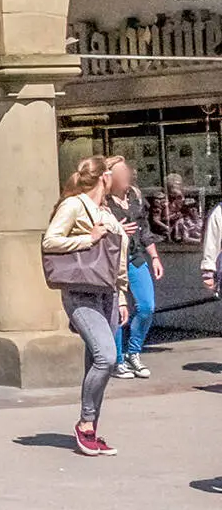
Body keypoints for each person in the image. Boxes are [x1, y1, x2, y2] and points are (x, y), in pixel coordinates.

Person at [42, 155, 129, 457]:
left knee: (97, 362)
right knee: (107, 357)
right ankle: (85, 424)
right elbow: (50, 241)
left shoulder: (106, 210)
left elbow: (117, 259)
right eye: (113, 173)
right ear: (104, 177)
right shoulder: (74, 205)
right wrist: (87, 239)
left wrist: (121, 295)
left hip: (107, 294)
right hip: (81, 293)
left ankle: (91, 429)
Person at [104, 155, 161, 379]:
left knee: (146, 306)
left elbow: (144, 229)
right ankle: (118, 360)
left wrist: (154, 257)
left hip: (135, 257)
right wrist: (116, 229)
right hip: (112, 259)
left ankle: (133, 352)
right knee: (117, 311)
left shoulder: (135, 197)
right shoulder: (103, 202)